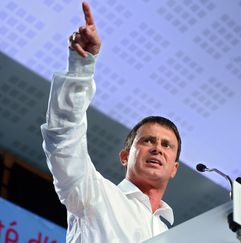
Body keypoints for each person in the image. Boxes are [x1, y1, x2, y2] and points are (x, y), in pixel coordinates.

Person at [40, 2, 181, 242]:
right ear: (125, 156)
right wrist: (81, 66)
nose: (158, 147)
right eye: (147, 140)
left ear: (174, 168)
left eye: (167, 145)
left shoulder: (176, 237)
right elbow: (63, 138)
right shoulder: (93, 194)